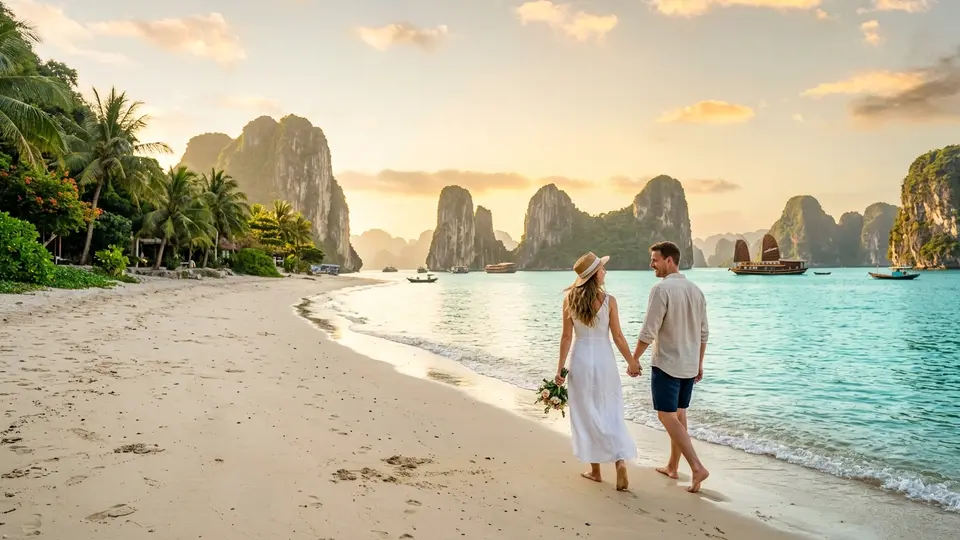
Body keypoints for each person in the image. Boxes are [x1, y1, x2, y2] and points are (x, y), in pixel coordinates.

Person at [629, 241, 710, 493]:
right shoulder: (696, 290)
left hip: (667, 364)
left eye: (655, 259)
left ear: (669, 261)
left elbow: (648, 330)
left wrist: (634, 359)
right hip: (688, 365)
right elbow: (704, 333)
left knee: (666, 416)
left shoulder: (661, 290)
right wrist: (699, 363)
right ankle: (673, 467)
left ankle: (696, 466)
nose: (651, 264)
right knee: (679, 414)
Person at [554, 252, 640, 491]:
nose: (605, 272)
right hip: (604, 360)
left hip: (580, 358)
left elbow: (566, 337)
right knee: (609, 409)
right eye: (602, 269)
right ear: (594, 275)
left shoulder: (570, 299)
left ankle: (595, 471)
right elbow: (618, 336)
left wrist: (560, 368)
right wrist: (631, 361)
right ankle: (619, 460)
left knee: (586, 412)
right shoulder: (609, 300)